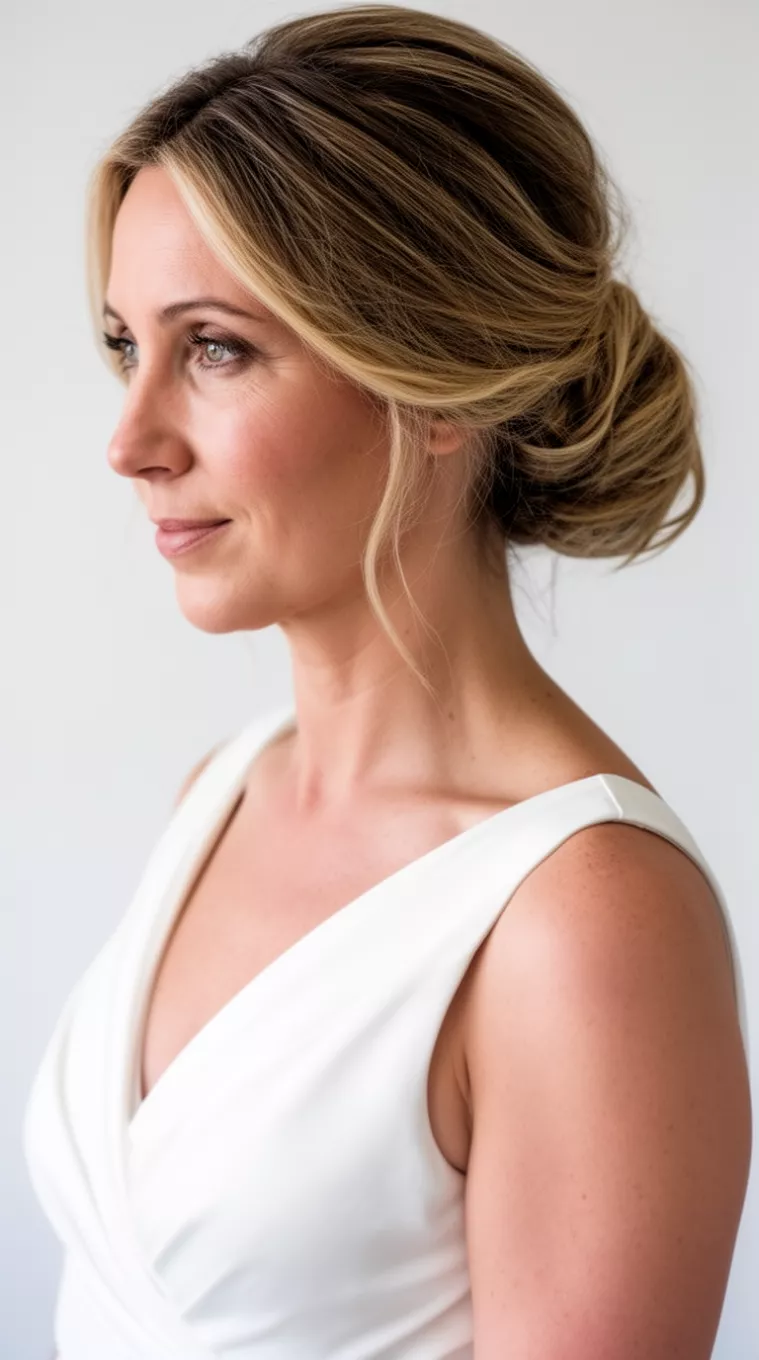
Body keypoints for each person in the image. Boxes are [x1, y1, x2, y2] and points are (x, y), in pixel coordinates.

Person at [24, 5, 751, 1357]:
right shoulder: (223, 793)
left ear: (436, 383)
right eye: (128, 344)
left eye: (217, 347)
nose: (130, 440)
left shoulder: (583, 919)